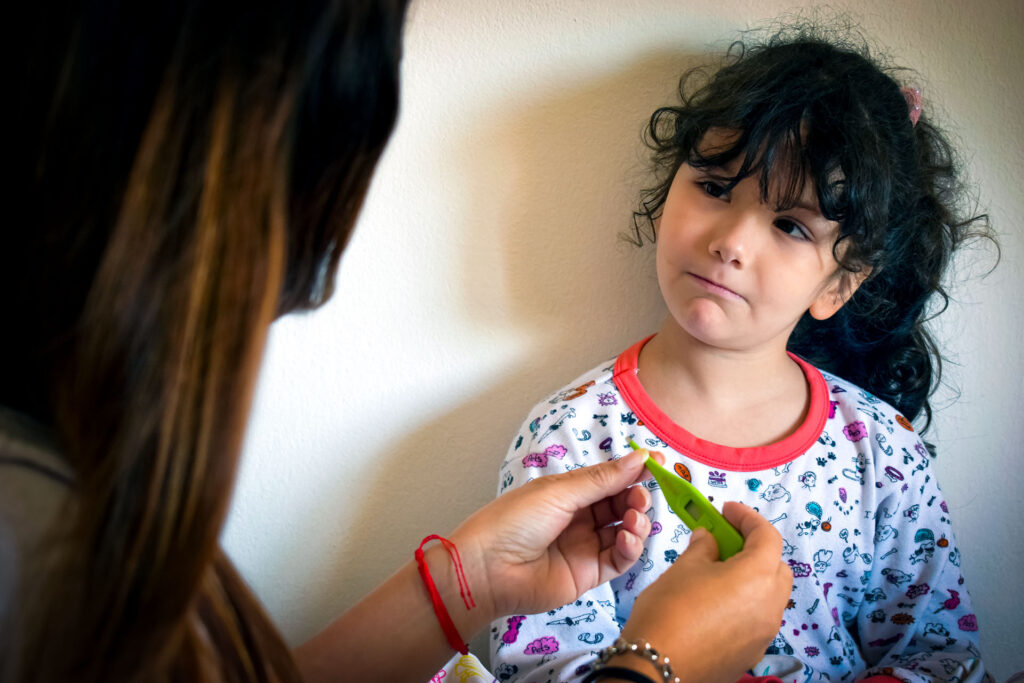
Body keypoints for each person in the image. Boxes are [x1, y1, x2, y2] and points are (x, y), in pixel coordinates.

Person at [1, 2, 795, 682]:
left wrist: (472, 580)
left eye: (791, 224)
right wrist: (657, 663)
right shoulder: (33, 550)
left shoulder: (64, 510)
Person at [491, 25, 996, 683]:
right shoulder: (571, 437)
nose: (731, 240)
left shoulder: (884, 452)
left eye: (791, 225)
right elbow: (538, 662)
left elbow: (941, 656)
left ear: (839, 284)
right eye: (716, 186)